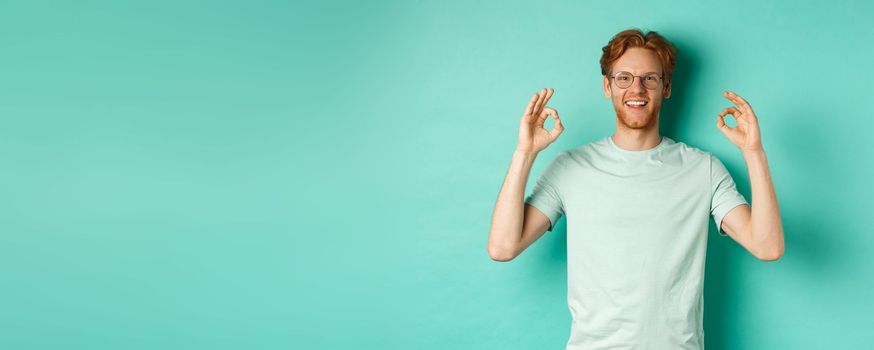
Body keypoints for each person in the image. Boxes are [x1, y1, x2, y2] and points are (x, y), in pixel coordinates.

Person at [486, 28, 784, 349]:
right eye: (624, 78)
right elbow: (503, 247)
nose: (636, 88)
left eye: (649, 79)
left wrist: (754, 153)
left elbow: (767, 247)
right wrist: (525, 153)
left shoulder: (703, 169)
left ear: (666, 87)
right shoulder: (570, 167)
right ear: (607, 86)